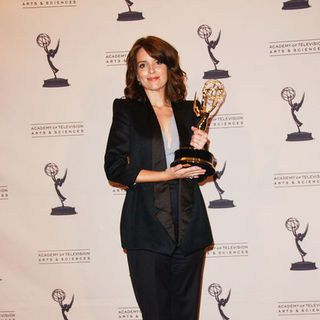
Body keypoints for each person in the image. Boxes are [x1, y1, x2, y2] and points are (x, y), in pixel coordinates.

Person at [104, 36, 213, 320]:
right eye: (143, 64)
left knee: (186, 315)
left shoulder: (190, 110)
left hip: (189, 227)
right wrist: (164, 174)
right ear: (136, 74)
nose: (151, 70)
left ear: (169, 67)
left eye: (157, 62)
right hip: (146, 227)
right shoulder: (126, 110)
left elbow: (201, 172)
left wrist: (201, 150)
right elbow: (114, 168)